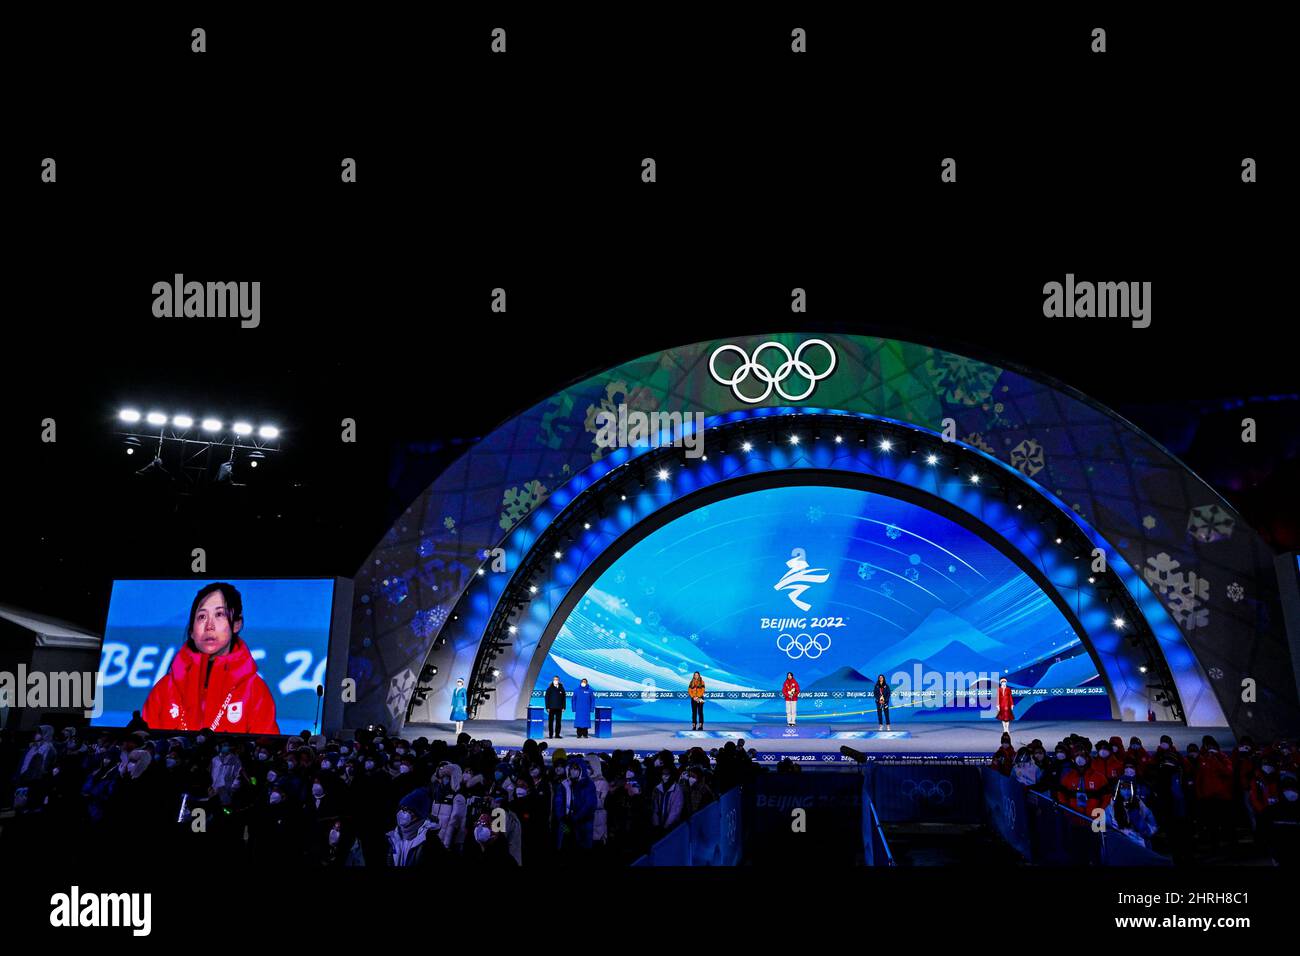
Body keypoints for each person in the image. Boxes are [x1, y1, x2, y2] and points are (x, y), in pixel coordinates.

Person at [141, 581, 279, 733]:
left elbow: (267, 749)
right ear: (192, 631)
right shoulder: (164, 689)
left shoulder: (255, 691)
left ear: (236, 624)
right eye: (201, 617)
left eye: (219, 614)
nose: (209, 625)